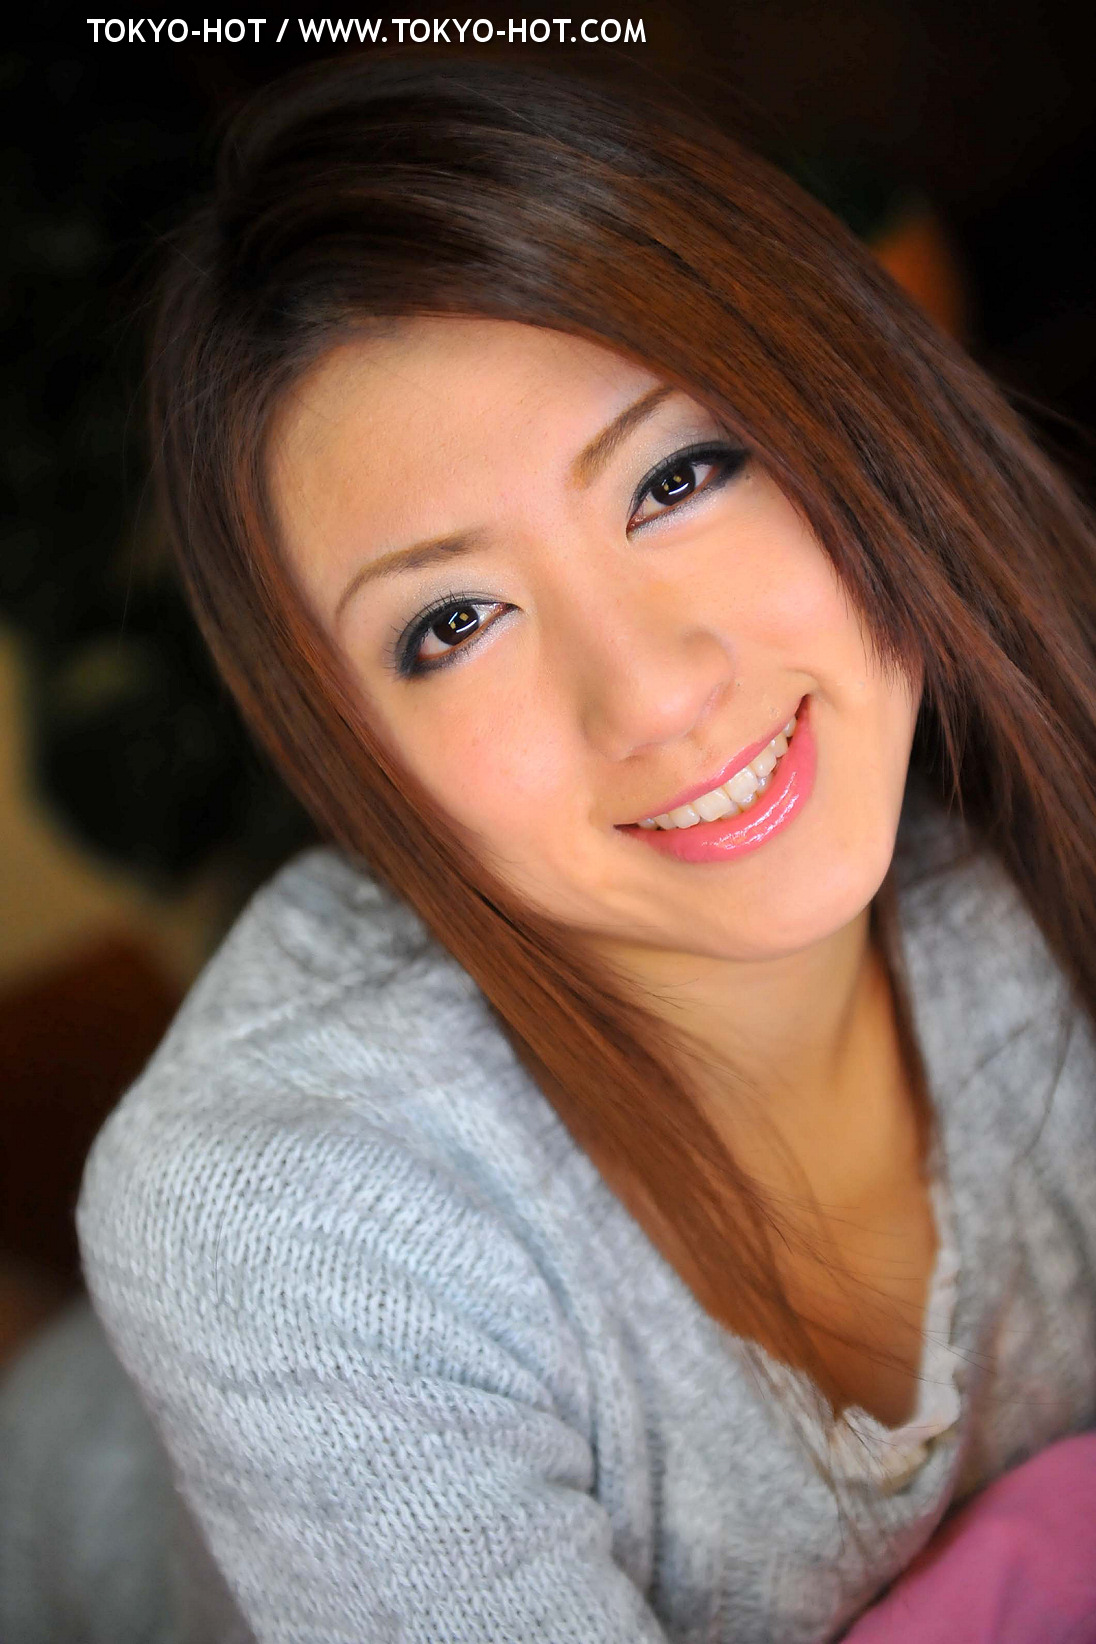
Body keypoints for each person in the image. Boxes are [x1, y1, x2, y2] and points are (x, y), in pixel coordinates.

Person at [57, 46, 1096, 1642]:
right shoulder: (298, 1223)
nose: (657, 695)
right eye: (454, 622)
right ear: (349, 750)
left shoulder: (1027, 810)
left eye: (679, 476)